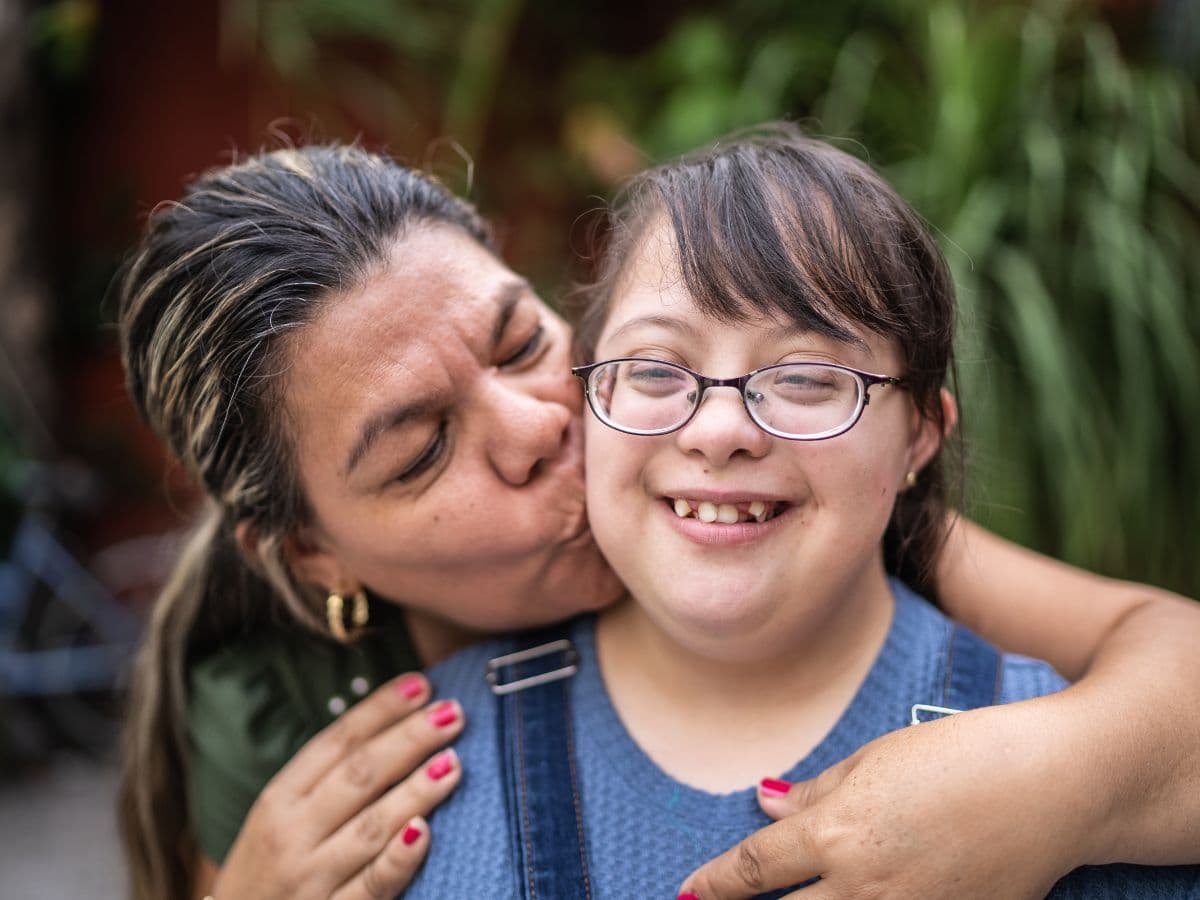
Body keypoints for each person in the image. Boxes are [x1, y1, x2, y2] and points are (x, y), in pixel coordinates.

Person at [112, 143, 1200, 900]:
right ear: (315, 552)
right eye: (424, 449)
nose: (539, 423)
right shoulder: (272, 720)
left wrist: (1053, 782)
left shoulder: (809, 518)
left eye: (519, 342)